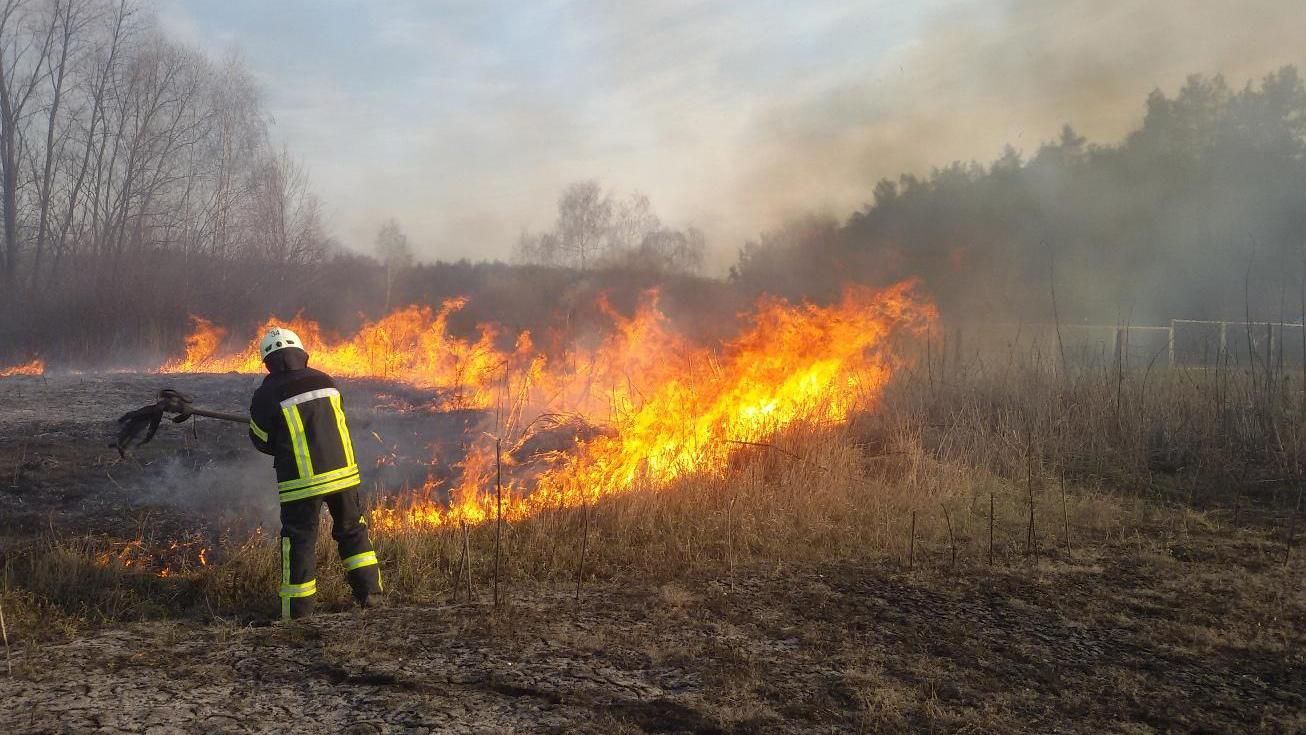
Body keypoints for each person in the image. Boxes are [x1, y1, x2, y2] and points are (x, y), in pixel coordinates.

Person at [248, 327, 381, 620]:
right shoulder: (326, 381)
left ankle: (297, 612)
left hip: (301, 481)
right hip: (344, 471)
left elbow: (260, 439)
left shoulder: (267, 393)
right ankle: (370, 593)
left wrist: (284, 442)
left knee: (299, 541)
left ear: (269, 361)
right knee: (352, 530)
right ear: (300, 353)